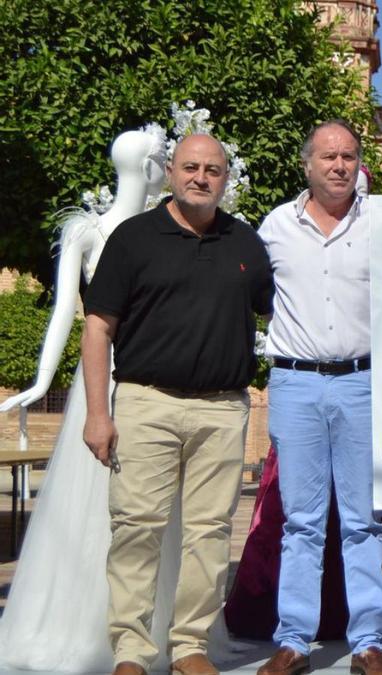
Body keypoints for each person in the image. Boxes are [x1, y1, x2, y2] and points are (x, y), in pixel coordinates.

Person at [82, 133, 274, 675]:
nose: (201, 177)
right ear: (170, 172)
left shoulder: (246, 244)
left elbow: (277, 312)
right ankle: (131, 651)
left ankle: (190, 645)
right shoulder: (133, 239)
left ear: (226, 178)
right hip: (147, 403)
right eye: (191, 167)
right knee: (136, 528)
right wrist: (100, 414)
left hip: (222, 408)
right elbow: (98, 329)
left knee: (209, 534)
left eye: (213, 169)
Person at [0, 130, 186, 673]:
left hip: (153, 377)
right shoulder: (88, 230)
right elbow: (68, 312)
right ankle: (83, 627)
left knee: (152, 510)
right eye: (164, 161)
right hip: (100, 380)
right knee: (89, 508)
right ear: (152, 166)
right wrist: (40, 381)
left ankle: (148, 632)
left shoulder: (166, 228)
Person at [253, 120, 382, 675]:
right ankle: (293, 640)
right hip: (295, 383)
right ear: (307, 164)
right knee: (302, 521)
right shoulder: (273, 228)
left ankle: (368, 644)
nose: (339, 165)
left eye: (349, 156)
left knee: (364, 520)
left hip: (364, 382)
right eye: (329, 156)